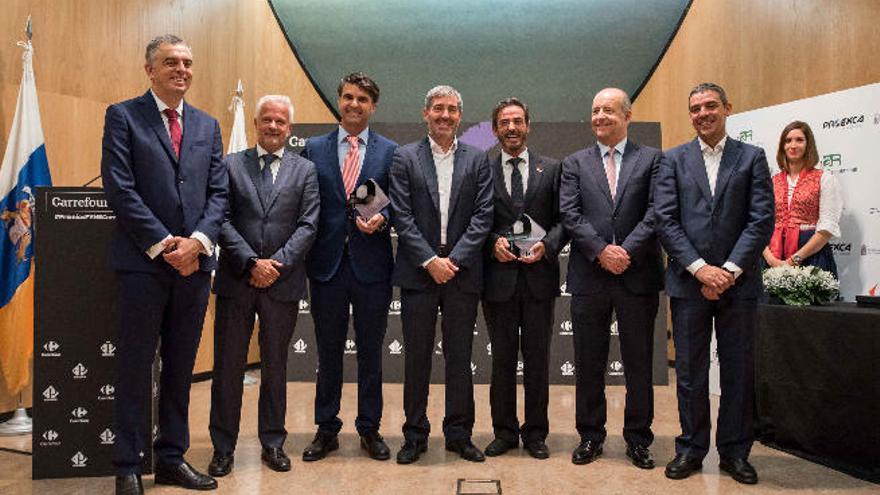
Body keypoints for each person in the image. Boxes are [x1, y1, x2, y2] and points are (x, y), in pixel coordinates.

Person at [101, 34, 227, 494]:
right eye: (171, 62)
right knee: (135, 367)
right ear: (150, 70)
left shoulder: (207, 125)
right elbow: (120, 189)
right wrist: (163, 243)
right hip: (143, 265)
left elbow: (218, 194)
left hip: (195, 266)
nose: (181, 69)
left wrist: (196, 243)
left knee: (180, 367)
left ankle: (171, 457)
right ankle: (127, 465)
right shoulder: (123, 116)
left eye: (188, 62)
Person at [655, 82, 774, 485]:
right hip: (689, 284)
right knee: (688, 373)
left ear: (727, 108)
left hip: (739, 286)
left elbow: (761, 221)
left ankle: (735, 453)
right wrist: (700, 269)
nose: (703, 113)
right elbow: (666, 221)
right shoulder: (672, 160)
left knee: (738, 372)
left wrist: (729, 271)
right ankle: (690, 448)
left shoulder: (752, 158)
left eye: (710, 106)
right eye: (695, 108)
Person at [207, 95, 319, 476]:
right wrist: (251, 262)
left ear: (290, 128)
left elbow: (308, 225)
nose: (273, 127)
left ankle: (273, 442)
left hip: (282, 284)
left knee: (275, 366)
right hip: (237, 281)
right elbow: (218, 219)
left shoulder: (305, 171)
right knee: (227, 367)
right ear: (256, 124)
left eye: (281, 122)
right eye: (267, 120)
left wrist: (276, 265)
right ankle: (223, 447)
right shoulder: (228, 165)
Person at [559, 88, 664, 469]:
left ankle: (638, 439)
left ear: (627, 115)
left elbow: (657, 212)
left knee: (639, 363)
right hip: (591, 274)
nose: (600, 116)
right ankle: (590, 435)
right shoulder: (575, 163)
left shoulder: (651, 160)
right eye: (595, 110)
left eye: (608, 110)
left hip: (638, 275)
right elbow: (570, 214)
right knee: (589, 361)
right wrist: (603, 251)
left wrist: (626, 251)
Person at [389, 85, 493, 464]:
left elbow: (484, 215)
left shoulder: (478, 158)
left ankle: (459, 434)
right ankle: (414, 435)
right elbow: (401, 213)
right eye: (438, 109)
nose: (445, 115)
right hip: (419, 273)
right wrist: (430, 260)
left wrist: (456, 259)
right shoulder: (404, 158)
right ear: (425, 113)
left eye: (451, 109)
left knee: (459, 356)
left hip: (462, 275)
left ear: (459, 117)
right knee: (416, 357)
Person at [300, 72, 397, 462]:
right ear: (339, 100)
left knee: (372, 353)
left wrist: (383, 221)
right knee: (328, 352)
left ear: (373, 107)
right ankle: (326, 428)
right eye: (347, 97)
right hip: (326, 266)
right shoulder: (313, 148)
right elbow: (306, 204)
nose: (353, 104)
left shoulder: (389, 152)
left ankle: (370, 428)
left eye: (362, 99)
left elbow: (395, 207)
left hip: (372, 267)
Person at [481, 98, 566, 460]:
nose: (511, 128)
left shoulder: (553, 168)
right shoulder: (481, 168)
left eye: (518, 121)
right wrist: (489, 243)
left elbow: (565, 220)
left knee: (537, 359)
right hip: (497, 280)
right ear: (496, 128)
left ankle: (535, 434)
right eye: (504, 122)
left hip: (538, 278)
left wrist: (547, 246)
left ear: (529, 125)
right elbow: (472, 219)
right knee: (501, 360)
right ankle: (503, 431)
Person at [762, 121, 841, 277]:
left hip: (811, 256)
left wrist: (794, 260)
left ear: (808, 144)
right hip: (773, 257)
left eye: (799, 140)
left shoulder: (825, 179)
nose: (793, 145)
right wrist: (770, 258)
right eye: (788, 140)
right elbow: (760, 224)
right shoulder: (771, 182)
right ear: (782, 146)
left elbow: (827, 228)